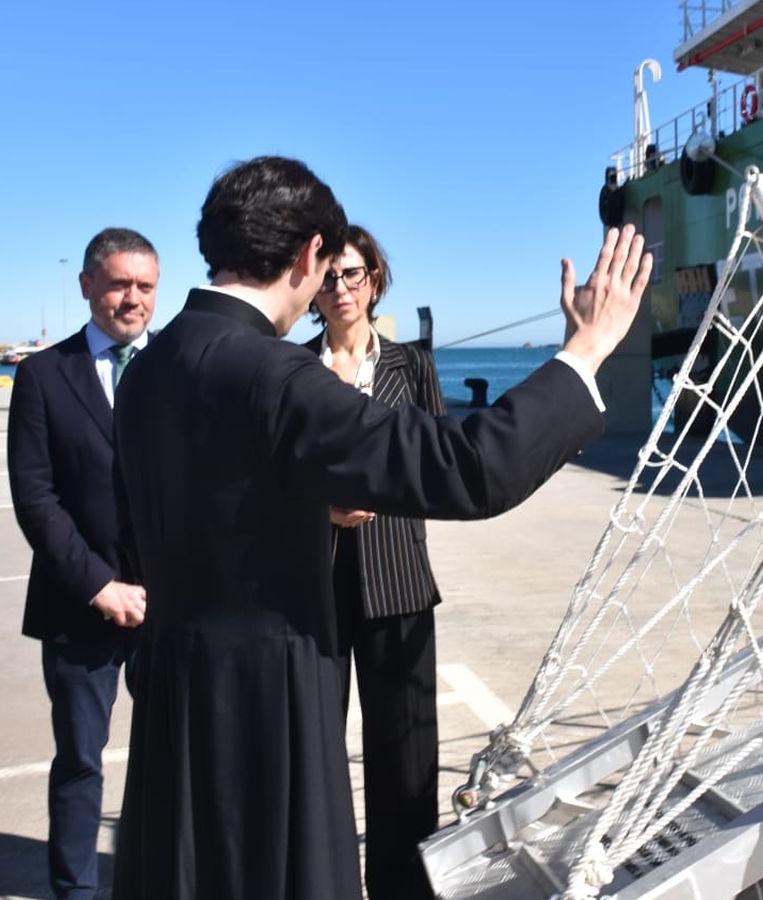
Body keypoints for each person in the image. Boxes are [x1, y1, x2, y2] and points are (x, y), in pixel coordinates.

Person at [110, 155, 650, 900]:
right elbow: (462, 466)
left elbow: (167, 515)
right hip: (270, 701)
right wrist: (585, 349)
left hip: (173, 692)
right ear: (307, 256)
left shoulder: (147, 368)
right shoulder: (274, 372)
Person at [6, 227, 157, 900]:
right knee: (78, 765)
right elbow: (35, 498)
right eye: (120, 283)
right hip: (79, 605)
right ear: (88, 286)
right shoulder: (43, 375)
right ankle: (76, 892)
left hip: (167, 607)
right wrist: (100, 585)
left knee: (168, 763)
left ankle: (159, 880)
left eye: (146, 286)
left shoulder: (178, 369)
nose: (133, 299)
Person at [303, 224, 445, 900]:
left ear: (374, 280)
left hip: (400, 583)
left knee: (406, 756)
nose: (340, 289)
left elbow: (439, 462)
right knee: (316, 754)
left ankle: (404, 892)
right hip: (315, 589)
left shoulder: (412, 366)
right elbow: (273, 476)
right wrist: (321, 509)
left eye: (352, 274)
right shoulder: (294, 370)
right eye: (328, 277)